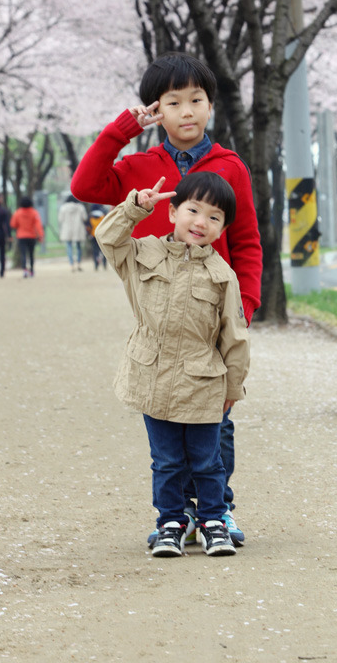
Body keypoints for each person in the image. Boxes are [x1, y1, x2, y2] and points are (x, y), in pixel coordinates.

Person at [71, 51, 262, 546]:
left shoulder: (230, 169)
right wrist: (122, 130)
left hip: (210, 317)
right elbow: (85, 185)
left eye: (196, 100)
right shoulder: (139, 167)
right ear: (157, 110)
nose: (187, 112)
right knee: (169, 431)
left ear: (210, 105)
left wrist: (245, 307)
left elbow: (246, 242)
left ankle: (219, 510)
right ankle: (176, 516)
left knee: (216, 422)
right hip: (159, 313)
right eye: (173, 102)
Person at [96, 172, 250, 557]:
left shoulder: (222, 276)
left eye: (214, 217)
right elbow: (107, 238)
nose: (201, 222)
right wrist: (134, 208)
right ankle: (170, 523)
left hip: (202, 382)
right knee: (166, 462)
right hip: (152, 378)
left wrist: (233, 388)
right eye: (193, 210)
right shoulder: (142, 253)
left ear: (222, 229)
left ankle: (214, 520)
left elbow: (235, 336)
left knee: (207, 461)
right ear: (172, 212)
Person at [10, 196, 44, 277]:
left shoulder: (17, 213)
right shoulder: (34, 212)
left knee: (23, 254)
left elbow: (13, 224)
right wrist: (41, 235)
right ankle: (31, 270)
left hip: (21, 236)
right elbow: (38, 225)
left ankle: (25, 270)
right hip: (32, 236)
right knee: (31, 254)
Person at [57, 194, 88, 271]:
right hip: (78, 229)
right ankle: (78, 263)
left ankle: (71, 265)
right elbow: (85, 218)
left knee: (69, 246)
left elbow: (60, 219)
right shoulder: (80, 207)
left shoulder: (63, 208)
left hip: (67, 229)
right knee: (78, 247)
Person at [86, 205, 107, 270]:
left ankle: (96, 264)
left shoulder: (90, 217)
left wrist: (89, 234)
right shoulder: (103, 215)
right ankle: (104, 264)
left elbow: (88, 227)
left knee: (95, 250)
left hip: (93, 235)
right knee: (104, 250)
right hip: (102, 235)